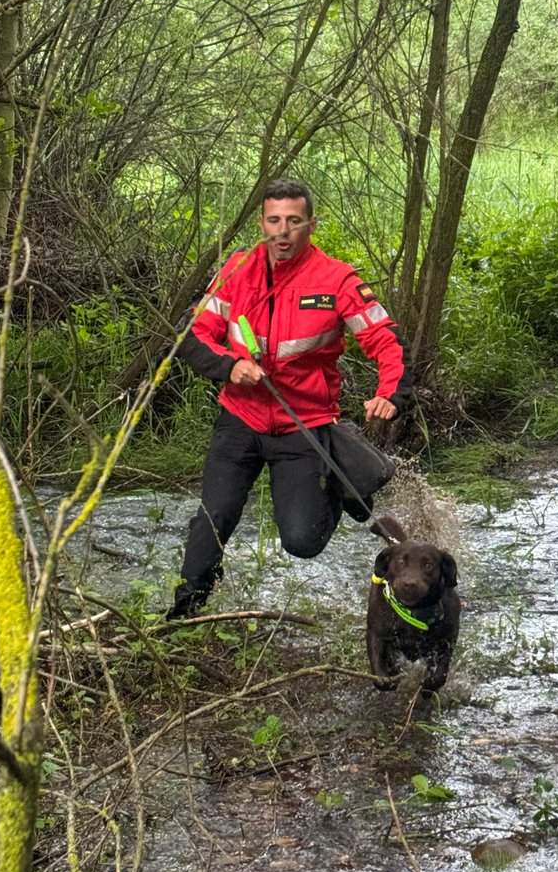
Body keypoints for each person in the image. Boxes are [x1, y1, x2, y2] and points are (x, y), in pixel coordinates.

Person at [168, 177, 414, 619]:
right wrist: (230, 367)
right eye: (274, 221)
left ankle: (338, 486)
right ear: (262, 223)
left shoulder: (337, 279)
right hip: (240, 419)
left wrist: (389, 393)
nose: (282, 232)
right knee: (214, 516)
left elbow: (385, 338)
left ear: (311, 225)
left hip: (305, 425)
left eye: (294, 221)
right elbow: (191, 337)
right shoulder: (236, 270)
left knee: (301, 542)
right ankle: (186, 610)